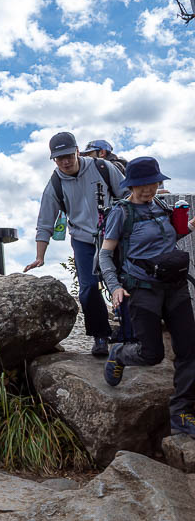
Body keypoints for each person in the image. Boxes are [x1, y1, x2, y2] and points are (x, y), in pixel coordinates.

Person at [99, 157, 195, 436]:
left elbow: (165, 241)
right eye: (142, 185)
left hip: (174, 288)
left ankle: (181, 413)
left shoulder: (161, 207)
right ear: (131, 185)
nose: (148, 190)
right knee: (152, 354)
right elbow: (105, 254)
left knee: (190, 349)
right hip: (141, 289)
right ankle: (119, 353)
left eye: (152, 183)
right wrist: (115, 286)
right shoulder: (122, 213)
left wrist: (187, 226)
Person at [24, 132, 128, 357]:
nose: (65, 161)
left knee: (126, 279)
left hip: (113, 236)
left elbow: (127, 195)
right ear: (53, 159)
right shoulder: (55, 184)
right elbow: (45, 221)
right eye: (59, 158)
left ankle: (131, 330)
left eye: (69, 155)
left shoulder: (102, 167)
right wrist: (40, 256)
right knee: (89, 288)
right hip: (83, 240)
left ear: (77, 151)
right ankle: (100, 336)